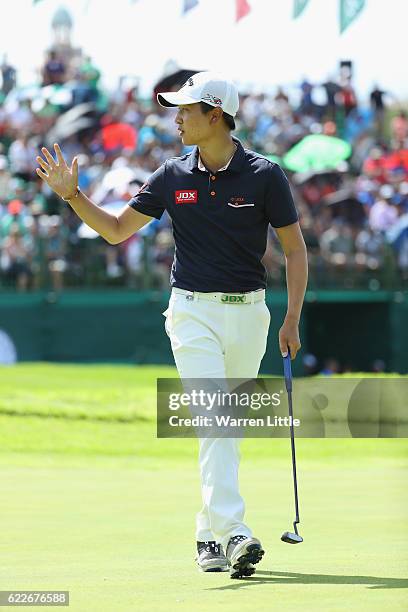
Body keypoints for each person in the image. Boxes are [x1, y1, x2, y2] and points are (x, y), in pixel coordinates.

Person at [36, 72, 308, 579]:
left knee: (224, 428)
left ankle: (208, 534)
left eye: (185, 110)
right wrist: (73, 197)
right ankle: (236, 532)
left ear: (215, 114)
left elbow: (294, 249)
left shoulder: (265, 174)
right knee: (216, 419)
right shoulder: (171, 175)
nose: (176, 119)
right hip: (191, 313)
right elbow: (116, 231)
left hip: (250, 312)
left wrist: (291, 317)